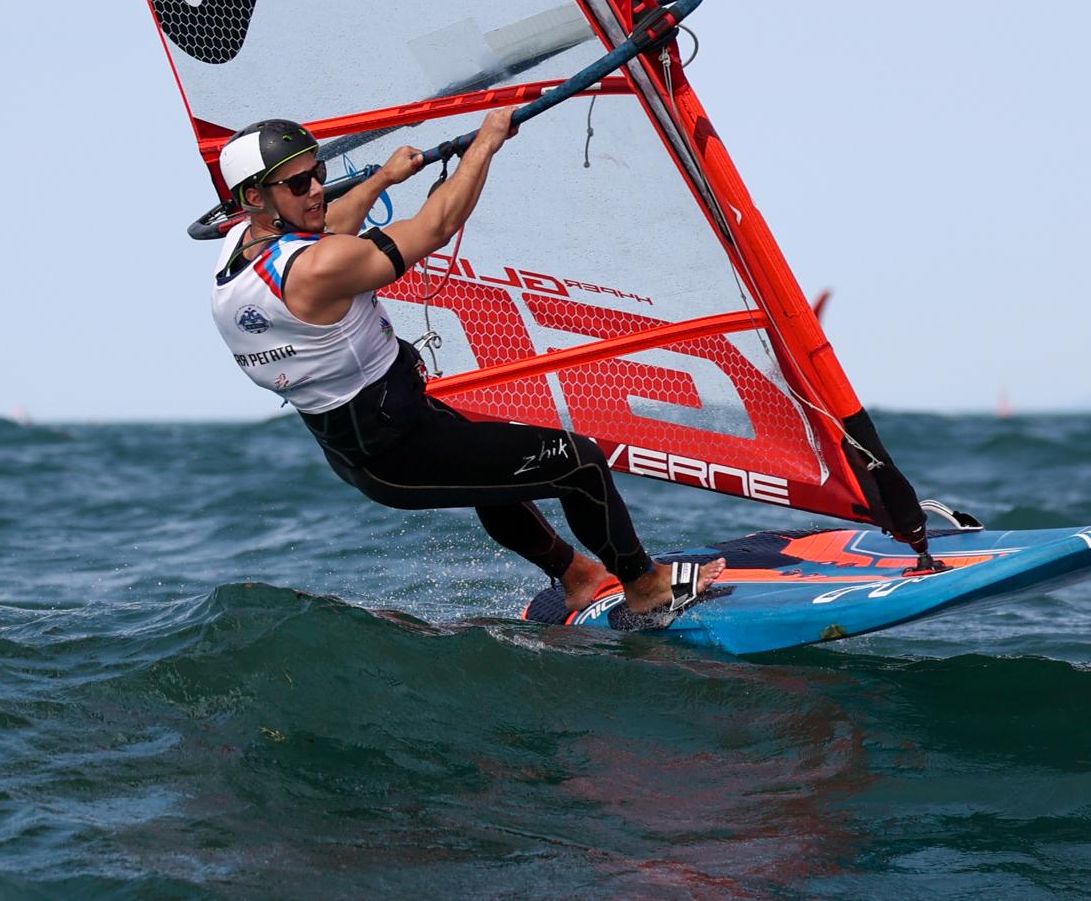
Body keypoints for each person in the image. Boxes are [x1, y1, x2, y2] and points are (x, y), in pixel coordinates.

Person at [209, 112, 723, 623]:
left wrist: (383, 179)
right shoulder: (317, 270)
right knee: (580, 463)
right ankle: (646, 586)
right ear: (255, 197)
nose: (318, 190)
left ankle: (578, 577)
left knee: (491, 477)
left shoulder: (242, 250)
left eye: (318, 172)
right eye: (300, 184)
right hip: (396, 449)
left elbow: (328, 226)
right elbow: (435, 227)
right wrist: (487, 142)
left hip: (373, 438)